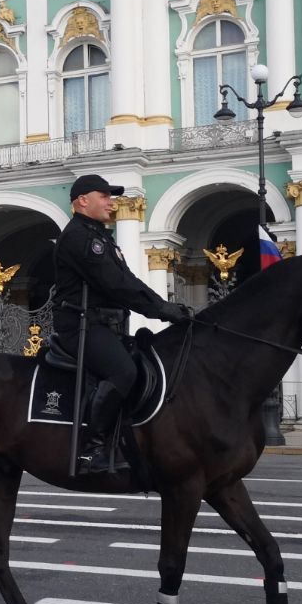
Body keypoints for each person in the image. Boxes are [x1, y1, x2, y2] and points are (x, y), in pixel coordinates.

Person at [53, 174, 192, 474]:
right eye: (104, 196)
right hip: (81, 326)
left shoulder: (101, 236)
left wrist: (164, 306)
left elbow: (128, 280)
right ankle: (93, 449)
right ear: (82, 201)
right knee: (123, 371)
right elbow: (115, 284)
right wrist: (162, 311)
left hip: (106, 325)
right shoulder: (79, 237)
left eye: (111, 196)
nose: (110, 202)